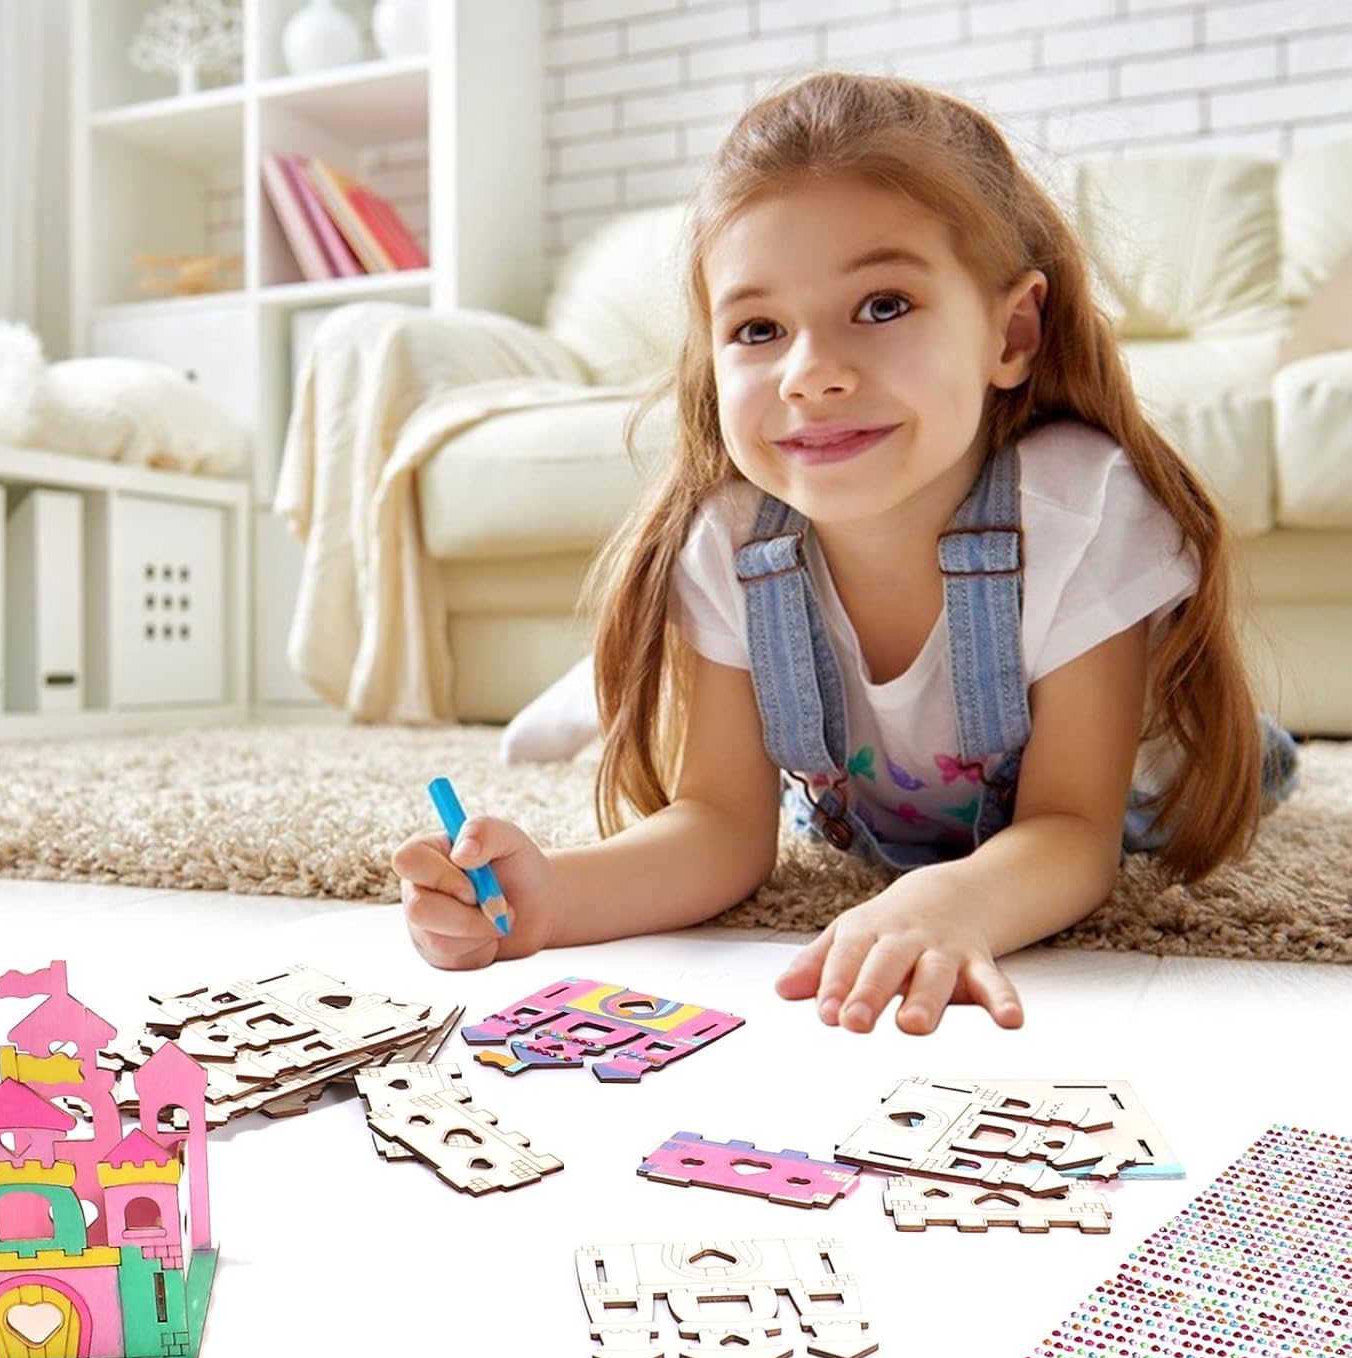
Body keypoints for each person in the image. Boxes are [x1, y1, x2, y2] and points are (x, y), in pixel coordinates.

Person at [394, 71, 1298, 1035]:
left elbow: (1073, 833)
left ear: (1013, 330)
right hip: (891, 805)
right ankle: (600, 685)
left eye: (881, 306)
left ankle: (595, 689)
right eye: (757, 329)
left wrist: (954, 902)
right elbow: (722, 829)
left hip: (1141, 776)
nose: (812, 373)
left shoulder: (1078, 509)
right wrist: (551, 898)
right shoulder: (734, 539)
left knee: (1233, 762)